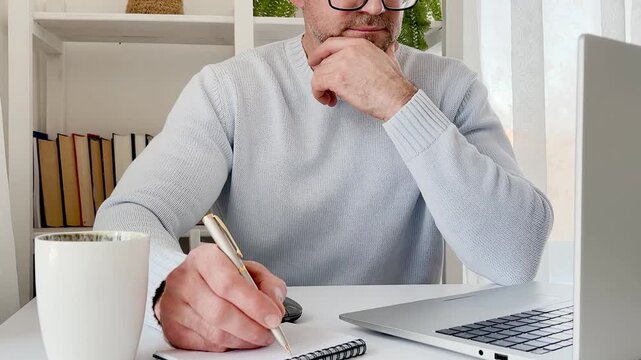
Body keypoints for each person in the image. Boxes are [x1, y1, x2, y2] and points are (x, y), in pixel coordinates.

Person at [94, 0, 553, 353]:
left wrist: (399, 102)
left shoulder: (453, 87)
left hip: (403, 350)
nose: (376, 8)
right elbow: (128, 214)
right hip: (267, 345)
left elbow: (515, 255)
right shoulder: (230, 89)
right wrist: (165, 284)